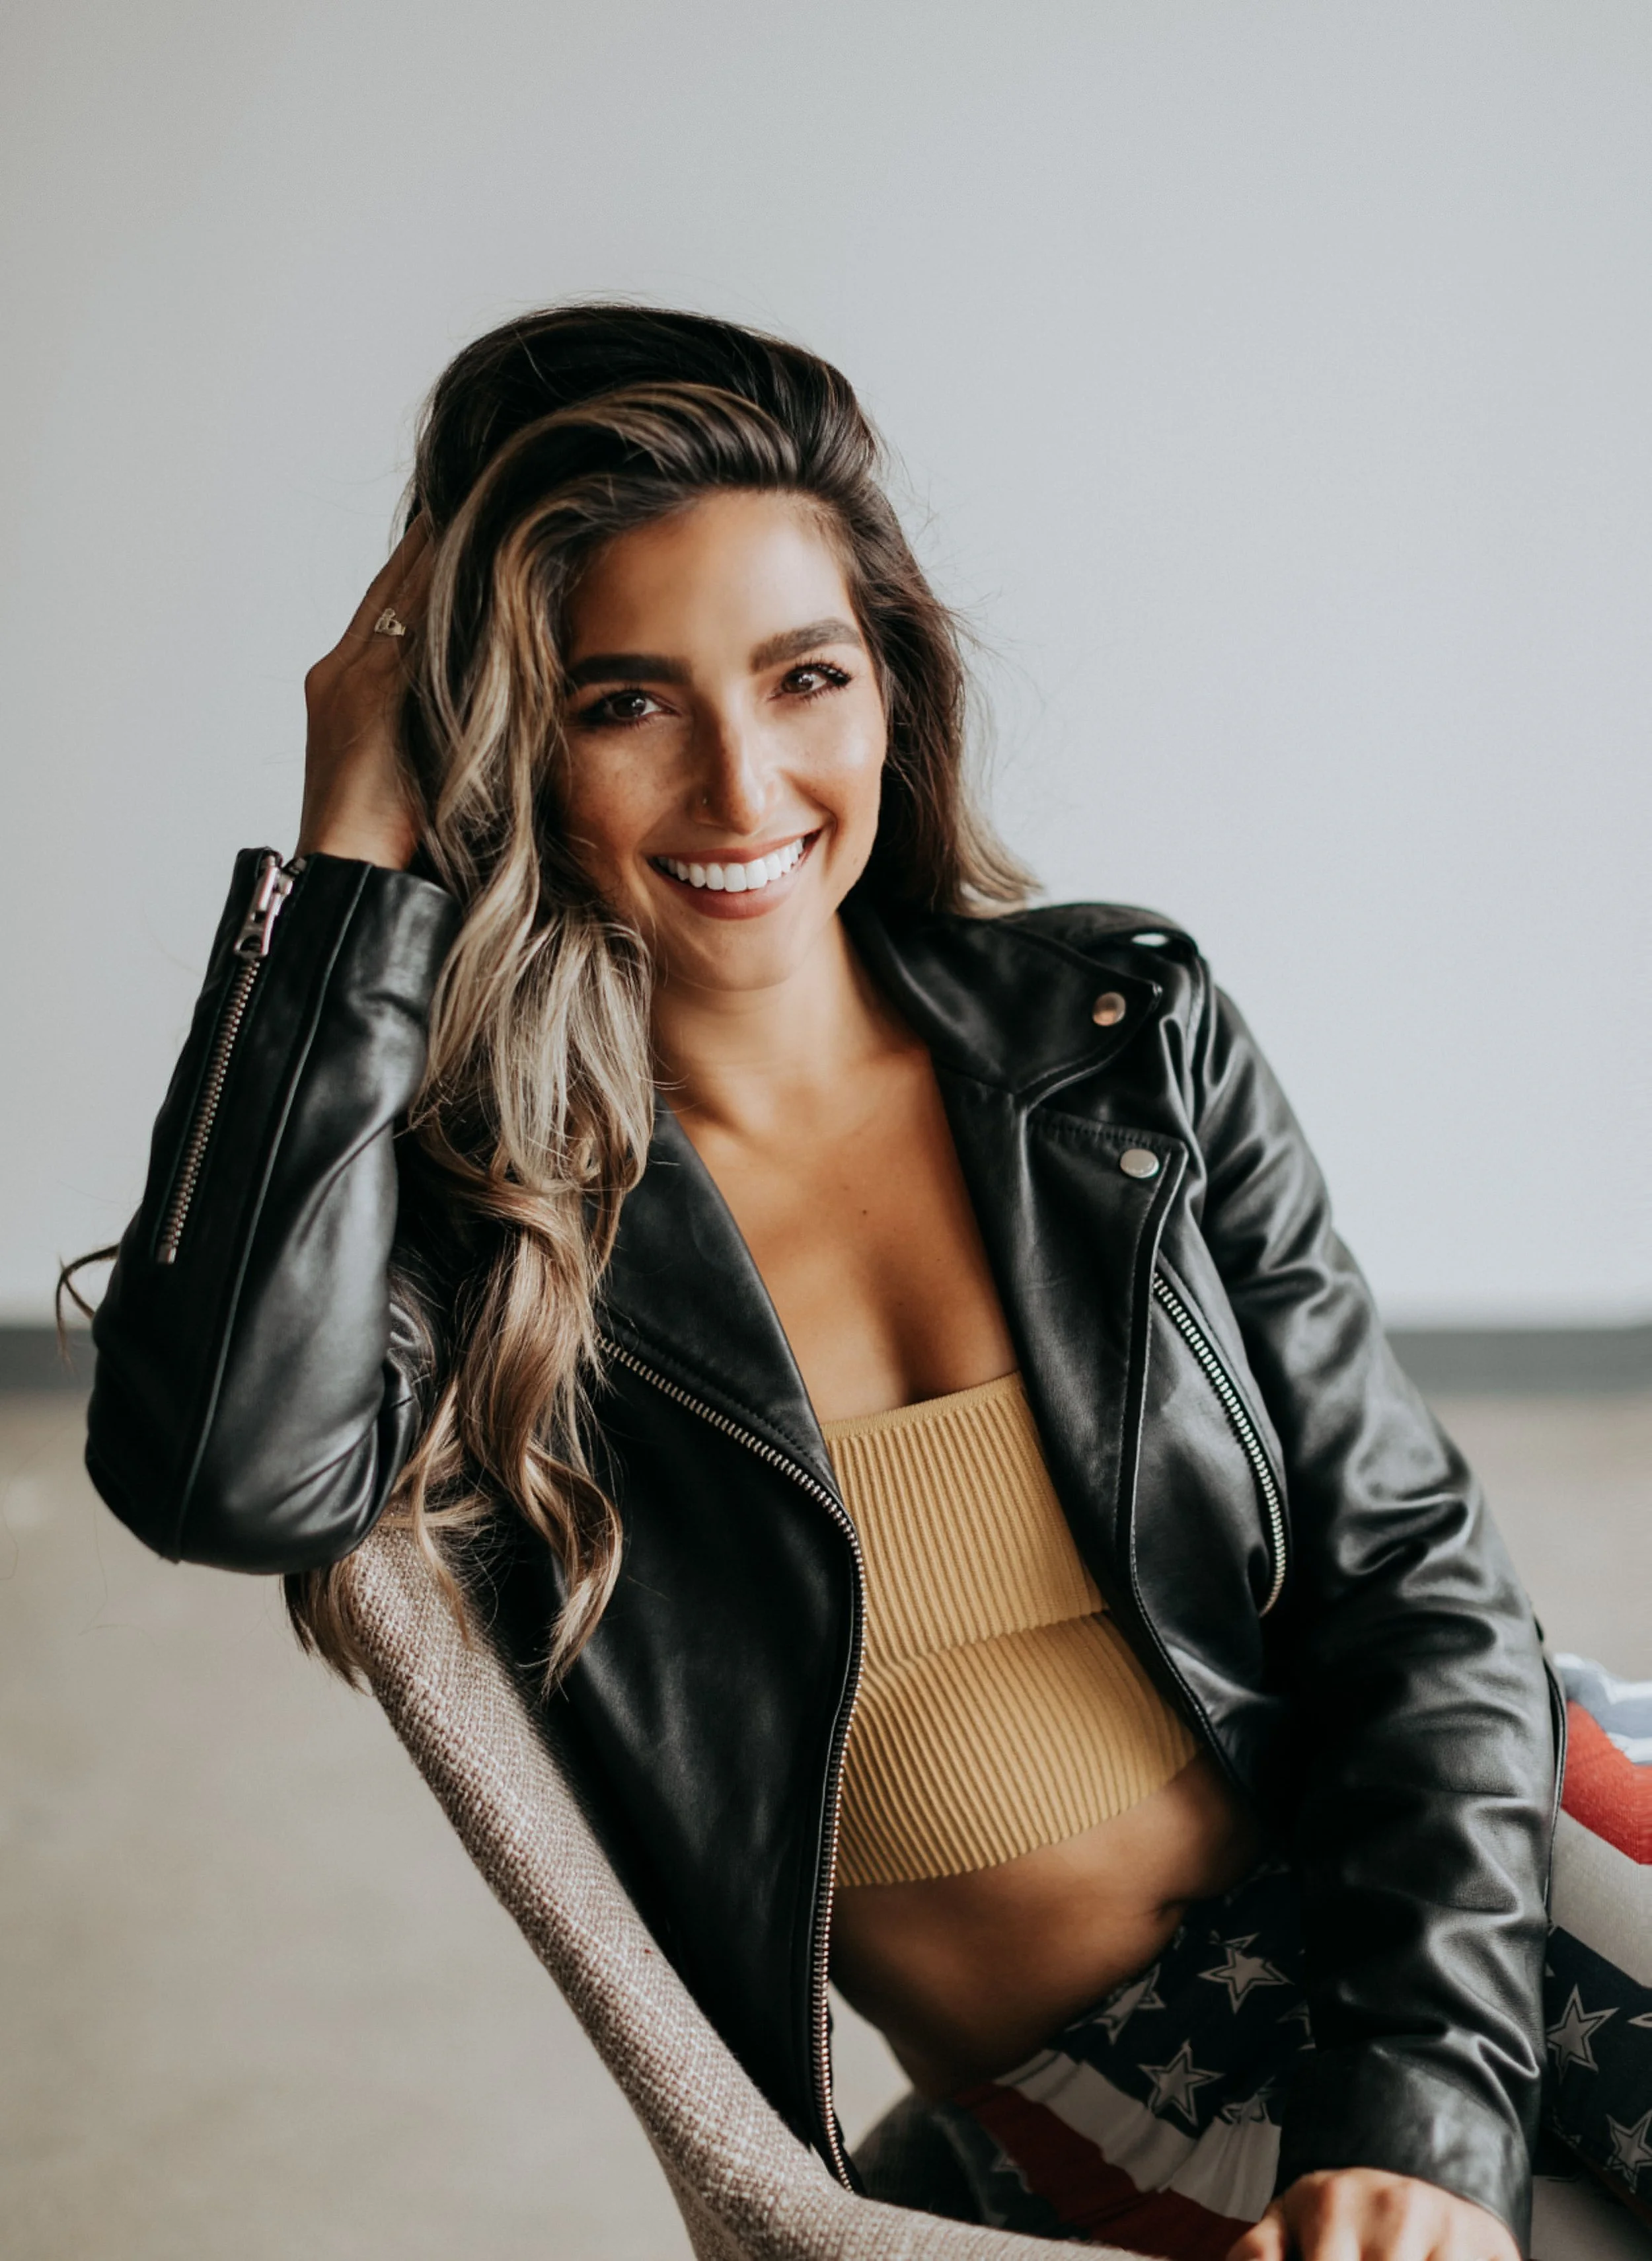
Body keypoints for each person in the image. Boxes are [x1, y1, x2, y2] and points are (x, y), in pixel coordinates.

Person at [78, 306, 1565, 2260]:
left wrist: (1429, 2096)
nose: (743, 783)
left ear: (892, 687)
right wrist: (350, 848)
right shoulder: (479, 1221)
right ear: (502, 735)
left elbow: (1416, 1585)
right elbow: (220, 1475)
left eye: (804, 676)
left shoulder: (1117, 1036)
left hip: (1465, 1907)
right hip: (1127, 2089)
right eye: (625, 701)